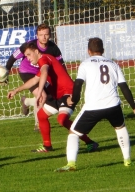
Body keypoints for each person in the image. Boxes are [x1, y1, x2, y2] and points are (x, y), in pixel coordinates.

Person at [55, 37, 135, 172]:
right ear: (103, 50)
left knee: (73, 133)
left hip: (93, 107)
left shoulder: (85, 64)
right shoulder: (113, 64)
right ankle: (127, 160)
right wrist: (133, 106)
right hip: (113, 105)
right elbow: (124, 87)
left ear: (88, 51)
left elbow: (78, 84)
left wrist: (73, 100)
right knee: (120, 128)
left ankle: (71, 164)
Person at [7, 42, 98, 153]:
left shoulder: (44, 59)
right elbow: (35, 80)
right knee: (41, 116)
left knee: (62, 120)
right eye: (26, 56)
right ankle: (47, 146)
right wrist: (16, 90)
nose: (28, 58)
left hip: (68, 93)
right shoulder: (43, 62)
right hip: (58, 96)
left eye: (29, 55)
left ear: (36, 51)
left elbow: (44, 73)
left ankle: (90, 142)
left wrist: (40, 92)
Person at [5, 23, 66, 131]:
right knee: (42, 96)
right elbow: (13, 57)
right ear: (37, 36)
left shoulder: (54, 48)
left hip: (41, 74)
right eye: (41, 34)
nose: (44, 37)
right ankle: (38, 124)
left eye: (46, 34)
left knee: (51, 97)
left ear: (50, 35)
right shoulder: (29, 45)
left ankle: (26, 101)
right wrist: (6, 72)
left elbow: (61, 65)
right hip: (27, 72)